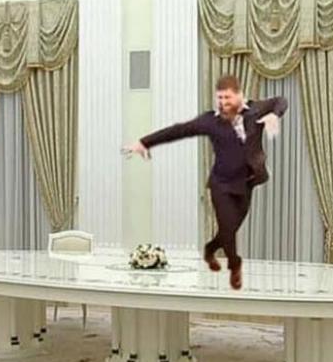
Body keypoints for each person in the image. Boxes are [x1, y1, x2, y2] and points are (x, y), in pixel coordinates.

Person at [123, 75, 287, 290]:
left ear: (240, 96)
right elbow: (178, 130)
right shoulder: (210, 121)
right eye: (220, 98)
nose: (223, 102)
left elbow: (280, 101)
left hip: (246, 183)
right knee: (227, 227)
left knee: (229, 229)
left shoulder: (256, 110)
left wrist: (274, 115)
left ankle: (210, 248)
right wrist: (144, 142)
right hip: (221, 184)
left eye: (228, 97)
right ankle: (235, 266)